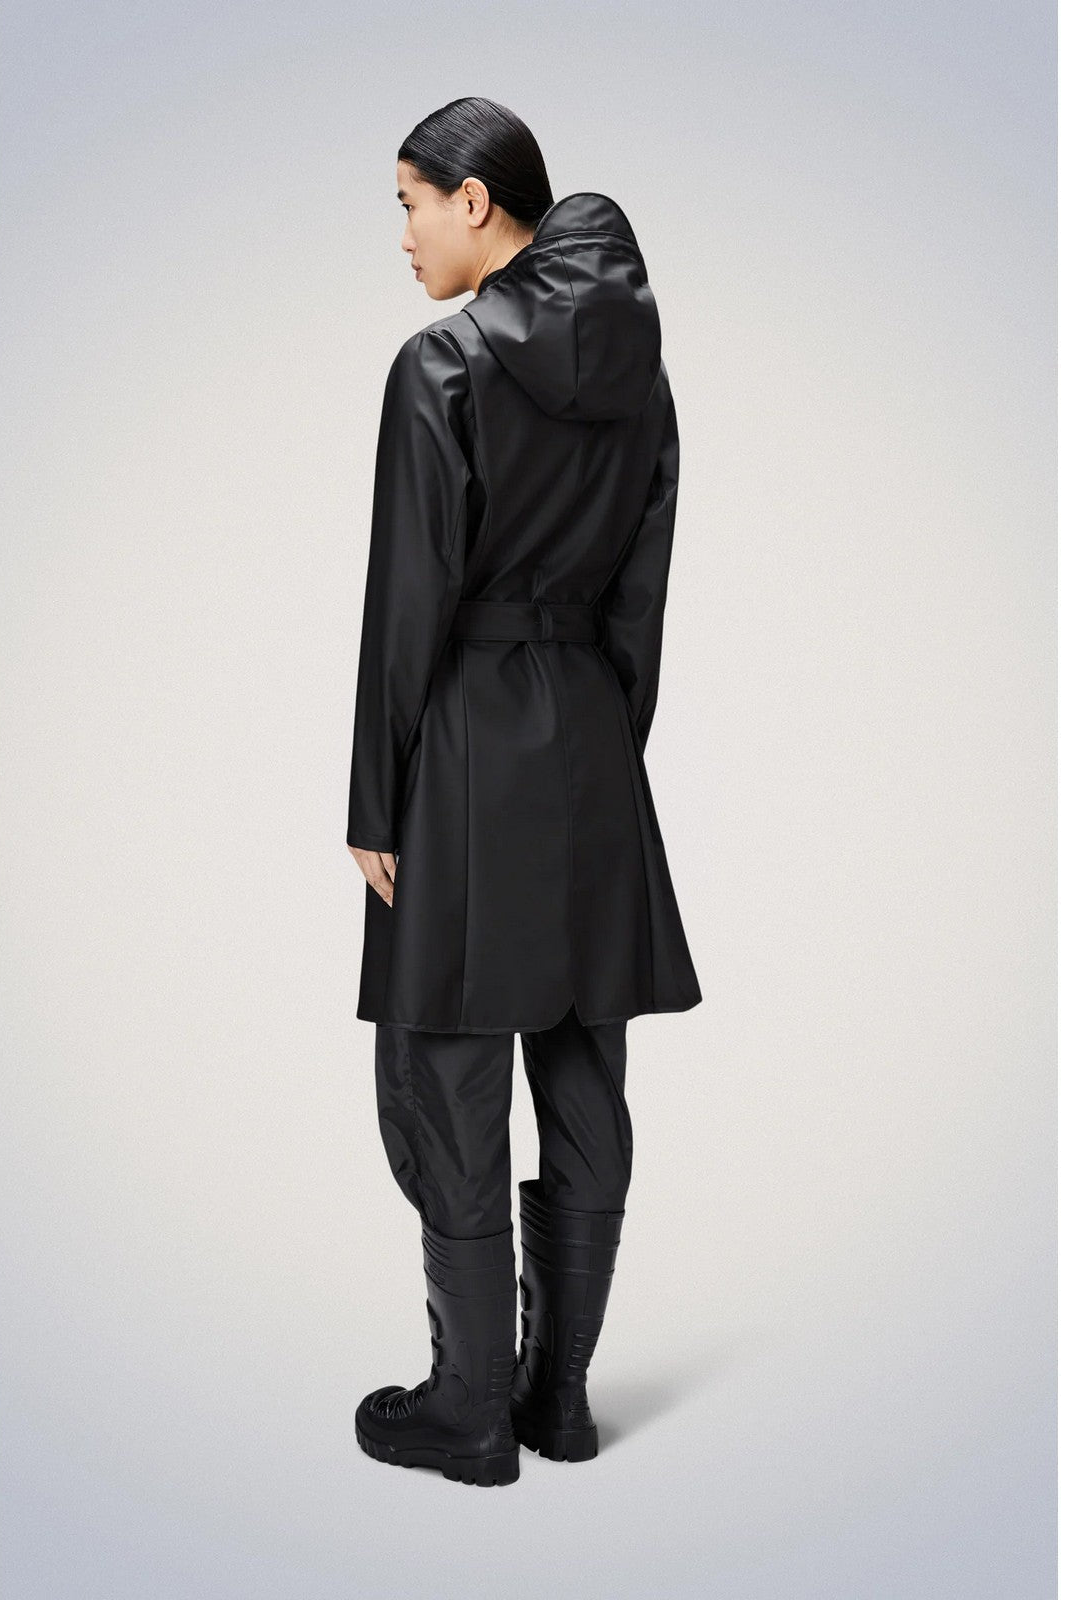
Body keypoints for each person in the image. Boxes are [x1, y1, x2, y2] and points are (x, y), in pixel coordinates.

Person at [346, 97, 702, 1487]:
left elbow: (408, 600)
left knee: (444, 1057)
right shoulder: (643, 376)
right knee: (582, 1055)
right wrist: (606, 753)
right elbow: (642, 596)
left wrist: (375, 797)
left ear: (477, 201)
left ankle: (470, 1408)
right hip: (593, 739)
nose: (403, 235)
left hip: (463, 742)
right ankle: (562, 1398)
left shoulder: (440, 365)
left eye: (409, 202)